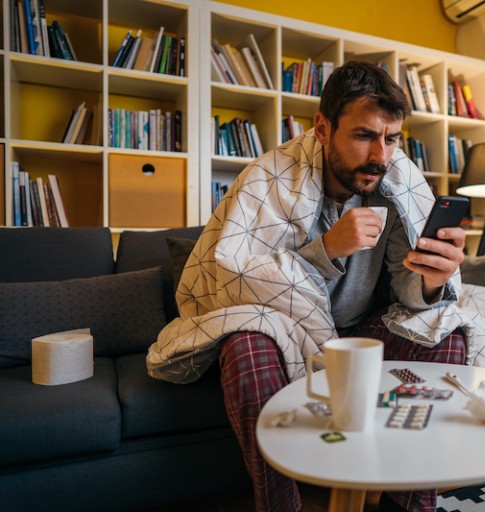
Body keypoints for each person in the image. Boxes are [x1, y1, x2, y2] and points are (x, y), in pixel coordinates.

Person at [150, 61, 468, 512]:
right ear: (322, 127)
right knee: (245, 343)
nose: (381, 154)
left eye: (392, 137)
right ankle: (279, 504)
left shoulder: (397, 180)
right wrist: (326, 249)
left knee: (445, 334)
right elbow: (234, 279)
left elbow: (408, 292)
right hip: (283, 334)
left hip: (360, 334)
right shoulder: (266, 176)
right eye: (363, 135)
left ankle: (408, 502)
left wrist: (433, 282)